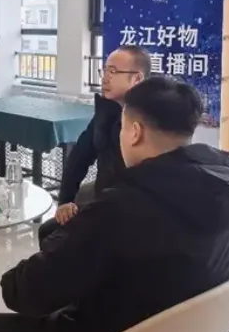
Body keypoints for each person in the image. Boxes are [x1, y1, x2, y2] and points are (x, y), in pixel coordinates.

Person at [0, 76, 229, 332]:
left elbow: (23, 293)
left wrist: (71, 238)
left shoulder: (119, 211)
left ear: (135, 132)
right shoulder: (228, 194)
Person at [37, 45, 150, 246]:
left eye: (113, 71)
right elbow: (79, 158)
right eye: (104, 70)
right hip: (103, 198)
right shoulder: (106, 111)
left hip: (131, 211)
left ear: (137, 79)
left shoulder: (150, 121)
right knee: (49, 231)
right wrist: (65, 202)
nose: (105, 78)